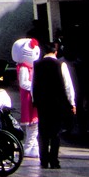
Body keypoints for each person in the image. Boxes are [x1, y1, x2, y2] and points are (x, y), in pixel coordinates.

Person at [32, 41, 75, 170]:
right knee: (55, 132)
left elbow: (33, 84)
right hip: (57, 102)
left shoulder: (37, 64)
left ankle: (43, 160)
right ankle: (54, 160)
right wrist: (72, 102)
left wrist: (35, 100)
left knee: (43, 132)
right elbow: (68, 86)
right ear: (55, 52)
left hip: (42, 103)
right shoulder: (60, 64)